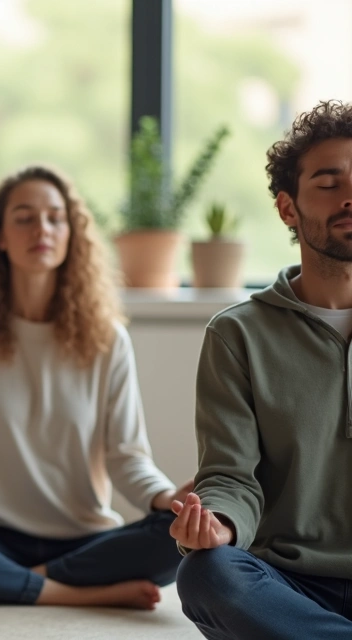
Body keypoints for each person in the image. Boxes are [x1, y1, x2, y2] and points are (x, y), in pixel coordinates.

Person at [0, 166, 190, 610]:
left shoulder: (107, 339)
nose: (42, 228)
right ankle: (74, 593)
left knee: (178, 536)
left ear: (71, 234)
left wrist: (167, 498)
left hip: (86, 538)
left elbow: (127, 458)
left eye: (55, 218)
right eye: (24, 217)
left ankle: (5, 585)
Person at [172, 99, 352, 639]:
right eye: (328, 182)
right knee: (207, 574)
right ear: (287, 208)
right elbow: (230, 475)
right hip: (288, 582)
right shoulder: (238, 334)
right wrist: (219, 526)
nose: (349, 196)